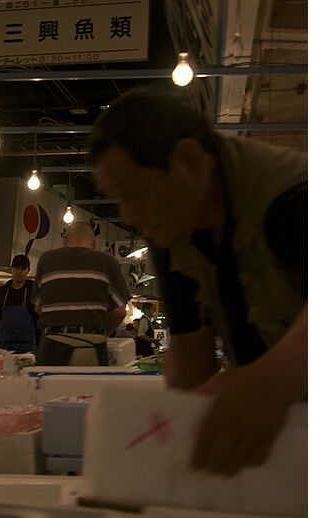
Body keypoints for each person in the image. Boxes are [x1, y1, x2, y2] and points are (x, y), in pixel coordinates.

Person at [89, 87, 307, 476]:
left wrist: (266, 381)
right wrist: (174, 457)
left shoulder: (289, 198)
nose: (128, 214)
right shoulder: (172, 228)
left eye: (134, 193)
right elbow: (191, 350)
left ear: (189, 160)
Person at [32, 222, 130, 366]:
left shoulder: (47, 260)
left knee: (50, 388)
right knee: (89, 388)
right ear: (94, 243)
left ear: (64, 240)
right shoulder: (108, 262)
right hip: (92, 343)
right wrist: (104, 333)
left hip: (53, 344)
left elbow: (38, 308)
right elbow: (120, 311)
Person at [0, 254, 38, 354]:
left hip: (27, 344)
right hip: (5, 343)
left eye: (22, 269)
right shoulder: (2, 291)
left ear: (28, 270)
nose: (19, 272)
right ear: (11, 269)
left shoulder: (33, 290)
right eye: (16, 268)